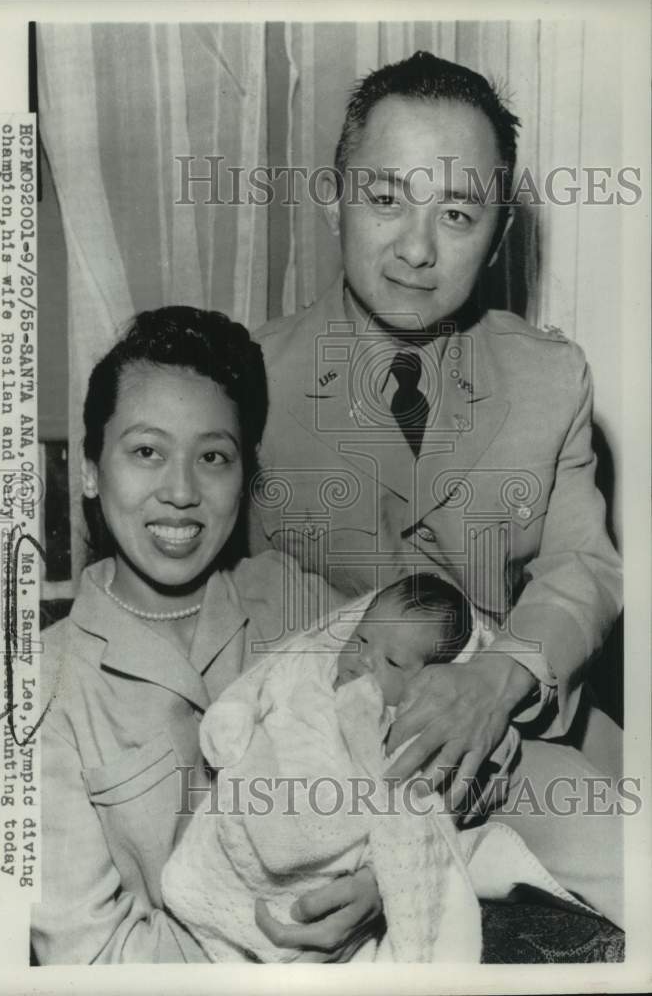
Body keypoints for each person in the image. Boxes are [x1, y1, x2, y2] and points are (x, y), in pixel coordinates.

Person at [250, 51, 624, 926]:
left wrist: (495, 681)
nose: (416, 248)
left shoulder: (549, 376)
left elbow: (584, 571)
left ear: (497, 239)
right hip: (321, 758)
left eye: (455, 213)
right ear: (336, 197)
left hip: (524, 747)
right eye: (386, 200)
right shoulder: (248, 379)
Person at [30, 306, 381, 965]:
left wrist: (386, 877)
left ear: (244, 474)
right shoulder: (44, 686)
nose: (182, 491)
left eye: (213, 457)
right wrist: (281, 950)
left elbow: (458, 726)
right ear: (89, 470)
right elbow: (94, 957)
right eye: (146, 452)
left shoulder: (290, 598)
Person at [161, 574, 590, 963]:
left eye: (393, 663)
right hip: (256, 809)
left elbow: (413, 823)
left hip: (325, 855)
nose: (364, 661)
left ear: (430, 682)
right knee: (197, 879)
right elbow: (266, 689)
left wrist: (378, 876)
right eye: (361, 640)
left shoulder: (409, 730)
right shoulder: (313, 668)